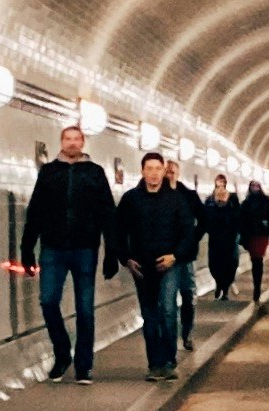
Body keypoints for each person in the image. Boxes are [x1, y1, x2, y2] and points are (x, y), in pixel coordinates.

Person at [20, 121, 118, 382]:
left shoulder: (95, 173)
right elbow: (36, 210)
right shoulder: (49, 172)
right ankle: (63, 353)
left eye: (77, 139)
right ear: (61, 143)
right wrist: (27, 248)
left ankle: (84, 365)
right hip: (53, 248)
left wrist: (111, 252)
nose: (72, 143)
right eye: (68, 139)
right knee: (48, 301)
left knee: (85, 309)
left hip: (85, 248)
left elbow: (108, 213)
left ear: (83, 143)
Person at [115, 148, 192, 377]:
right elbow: (118, 231)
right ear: (142, 171)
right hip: (142, 265)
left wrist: (175, 256)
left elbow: (188, 231)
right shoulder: (131, 199)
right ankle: (154, 363)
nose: (154, 174)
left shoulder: (176, 199)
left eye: (158, 169)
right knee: (149, 314)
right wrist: (125, 258)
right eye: (149, 169)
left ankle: (169, 360)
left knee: (168, 309)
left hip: (169, 263)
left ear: (164, 171)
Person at [165, 157, 206, 346]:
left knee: (188, 295)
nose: (169, 175)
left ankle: (187, 332)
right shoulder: (158, 195)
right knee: (168, 301)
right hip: (165, 254)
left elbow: (204, 220)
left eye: (172, 171)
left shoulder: (188, 195)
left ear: (178, 173)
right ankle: (170, 342)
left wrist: (193, 239)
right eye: (167, 171)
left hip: (186, 255)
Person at [203, 174, 244, 306]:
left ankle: (225, 289)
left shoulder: (233, 198)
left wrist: (226, 204)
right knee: (214, 264)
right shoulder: (209, 200)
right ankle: (219, 284)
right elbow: (206, 218)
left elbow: (238, 216)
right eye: (218, 183)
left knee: (230, 264)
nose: (220, 185)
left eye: (222, 183)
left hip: (230, 238)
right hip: (215, 238)